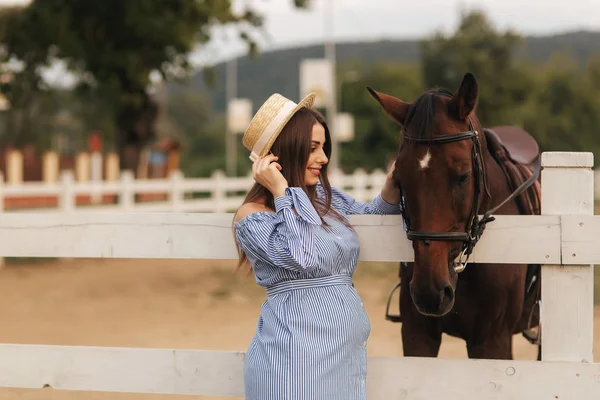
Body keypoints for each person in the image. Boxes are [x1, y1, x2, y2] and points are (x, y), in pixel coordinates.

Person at [232, 92, 402, 400]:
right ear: (282, 152)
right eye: (313, 148)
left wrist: (394, 182)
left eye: (324, 148)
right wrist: (282, 190)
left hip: (343, 362)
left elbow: (373, 219)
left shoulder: (326, 198)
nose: (323, 158)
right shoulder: (253, 216)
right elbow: (303, 255)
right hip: (293, 362)